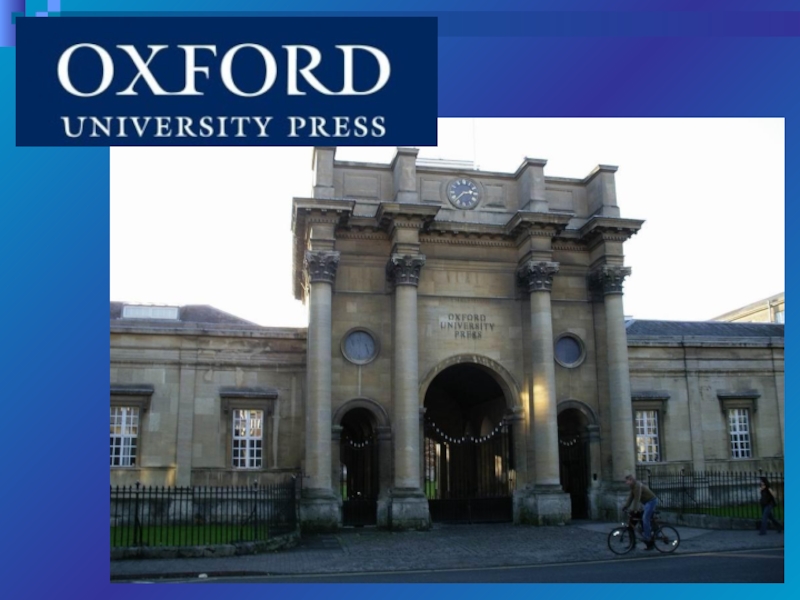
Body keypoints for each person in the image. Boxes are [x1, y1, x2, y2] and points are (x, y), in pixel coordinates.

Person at [622, 474, 658, 550]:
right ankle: (633, 544)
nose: (626, 482)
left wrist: (635, 509)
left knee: (645, 518)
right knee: (636, 520)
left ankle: (648, 537)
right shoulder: (632, 486)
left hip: (651, 501)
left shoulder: (637, 486)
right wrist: (625, 506)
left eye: (627, 481)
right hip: (646, 503)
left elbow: (637, 499)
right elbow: (631, 498)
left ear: (631, 480)